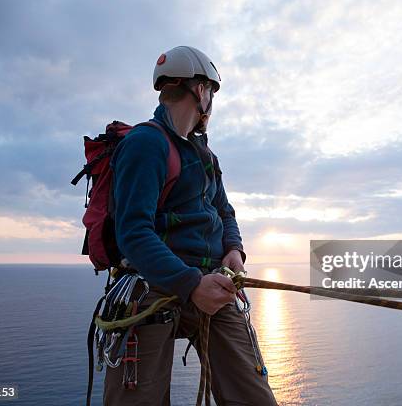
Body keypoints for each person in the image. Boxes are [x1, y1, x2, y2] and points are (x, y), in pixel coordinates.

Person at [103, 46, 277, 406]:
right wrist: (190, 284)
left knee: (253, 396)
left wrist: (233, 250)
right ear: (200, 91)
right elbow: (133, 232)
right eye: (211, 92)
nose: (211, 102)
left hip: (210, 281)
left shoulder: (204, 155)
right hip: (153, 288)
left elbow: (224, 210)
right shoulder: (145, 144)